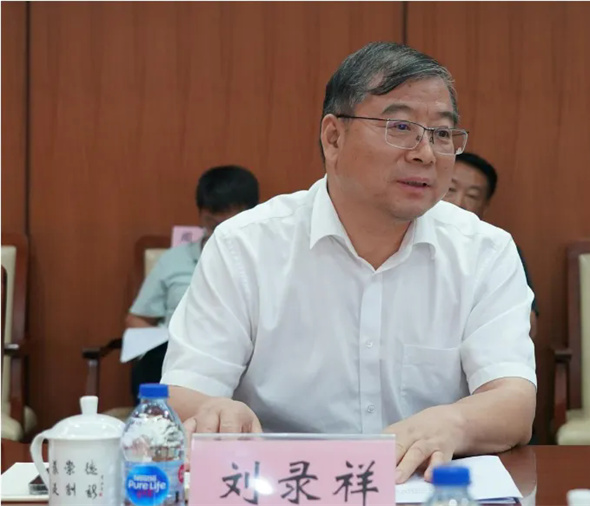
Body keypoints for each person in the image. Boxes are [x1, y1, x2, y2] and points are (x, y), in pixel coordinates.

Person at [162, 42, 536, 484]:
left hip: (425, 487)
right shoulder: (245, 246)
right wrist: (215, 411)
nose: (425, 153)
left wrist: (451, 423)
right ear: (333, 137)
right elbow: (183, 392)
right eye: (401, 127)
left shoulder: (485, 251)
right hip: (286, 487)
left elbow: (514, 402)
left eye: (441, 134)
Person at [127, 165, 259, 401]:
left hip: (241, 360)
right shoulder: (172, 260)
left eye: (228, 224)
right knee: (156, 365)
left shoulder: (263, 261)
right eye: (211, 224)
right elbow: (137, 318)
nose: (218, 233)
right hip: (177, 356)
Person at [444, 152, 539, 339]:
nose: (459, 203)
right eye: (450, 189)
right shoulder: (400, 237)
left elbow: (525, 326)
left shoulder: (498, 250)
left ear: (485, 207)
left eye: (472, 196)